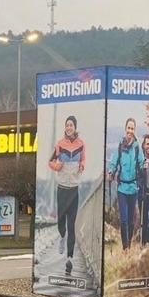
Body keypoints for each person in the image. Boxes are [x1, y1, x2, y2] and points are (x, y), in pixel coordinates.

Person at [48, 115, 86, 275]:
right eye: (67, 125)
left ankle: (69, 258)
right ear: (65, 127)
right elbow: (50, 161)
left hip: (74, 189)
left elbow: (83, 159)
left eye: (71, 125)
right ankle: (62, 236)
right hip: (62, 188)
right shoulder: (60, 144)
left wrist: (82, 166)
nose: (69, 127)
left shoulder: (81, 144)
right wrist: (58, 167)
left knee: (72, 225)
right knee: (61, 222)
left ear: (75, 127)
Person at [107, 117, 142, 251]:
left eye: (132, 128)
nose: (130, 131)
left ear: (134, 130)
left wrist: (144, 166)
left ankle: (129, 242)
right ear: (125, 129)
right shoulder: (120, 146)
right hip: (122, 188)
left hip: (133, 187)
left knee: (131, 220)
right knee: (124, 220)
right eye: (128, 128)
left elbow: (141, 162)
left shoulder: (137, 147)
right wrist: (111, 171)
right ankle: (125, 248)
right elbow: (113, 162)